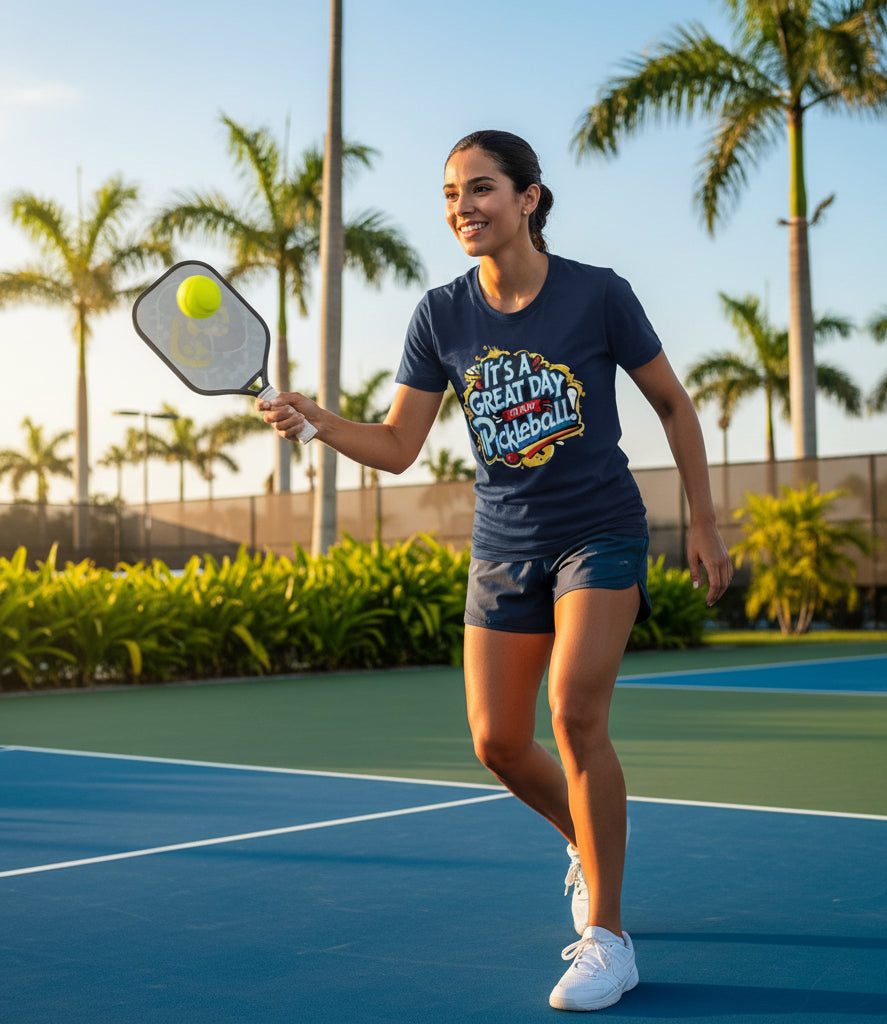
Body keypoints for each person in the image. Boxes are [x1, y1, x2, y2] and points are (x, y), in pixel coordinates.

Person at [260, 129, 733, 1012]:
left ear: (529, 198)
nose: (462, 209)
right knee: (498, 742)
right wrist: (317, 419)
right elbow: (399, 446)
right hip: (502, 546)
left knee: (575, 711)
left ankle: (610, 941)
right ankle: (581, 844)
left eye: (480, 189)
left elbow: (671, 402)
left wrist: (703, 521)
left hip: (599, 532)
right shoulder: (441, 315)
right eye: (449, 195)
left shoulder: (598, 295)